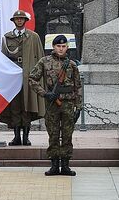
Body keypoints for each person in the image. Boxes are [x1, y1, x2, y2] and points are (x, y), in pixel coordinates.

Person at [28, 34, 82, 176]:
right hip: (52, 104)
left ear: (67, 47)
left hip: (68, 104)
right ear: (53, 47)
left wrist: (79, 107)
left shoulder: (72, 65)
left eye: (63, 46)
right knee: (53, 134)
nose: (61, 49)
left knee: (67, 135)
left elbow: (78, 86)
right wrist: (45, 93)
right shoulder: (44, 62)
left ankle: (65, 165)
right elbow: (32, 79)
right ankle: (54, 165)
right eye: (58, 46)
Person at [0, 10, 45, 146]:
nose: (19, 20)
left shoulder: (33, 37)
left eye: (21, 18)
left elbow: (40, 57)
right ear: (13, 21)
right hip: (13, 76)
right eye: (17, 19)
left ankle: (26, 136)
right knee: (15, 106)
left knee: (27, 104)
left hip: (29, 75)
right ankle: (16, 136)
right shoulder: (7, 38)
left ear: (25, 21)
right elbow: (3, 58)